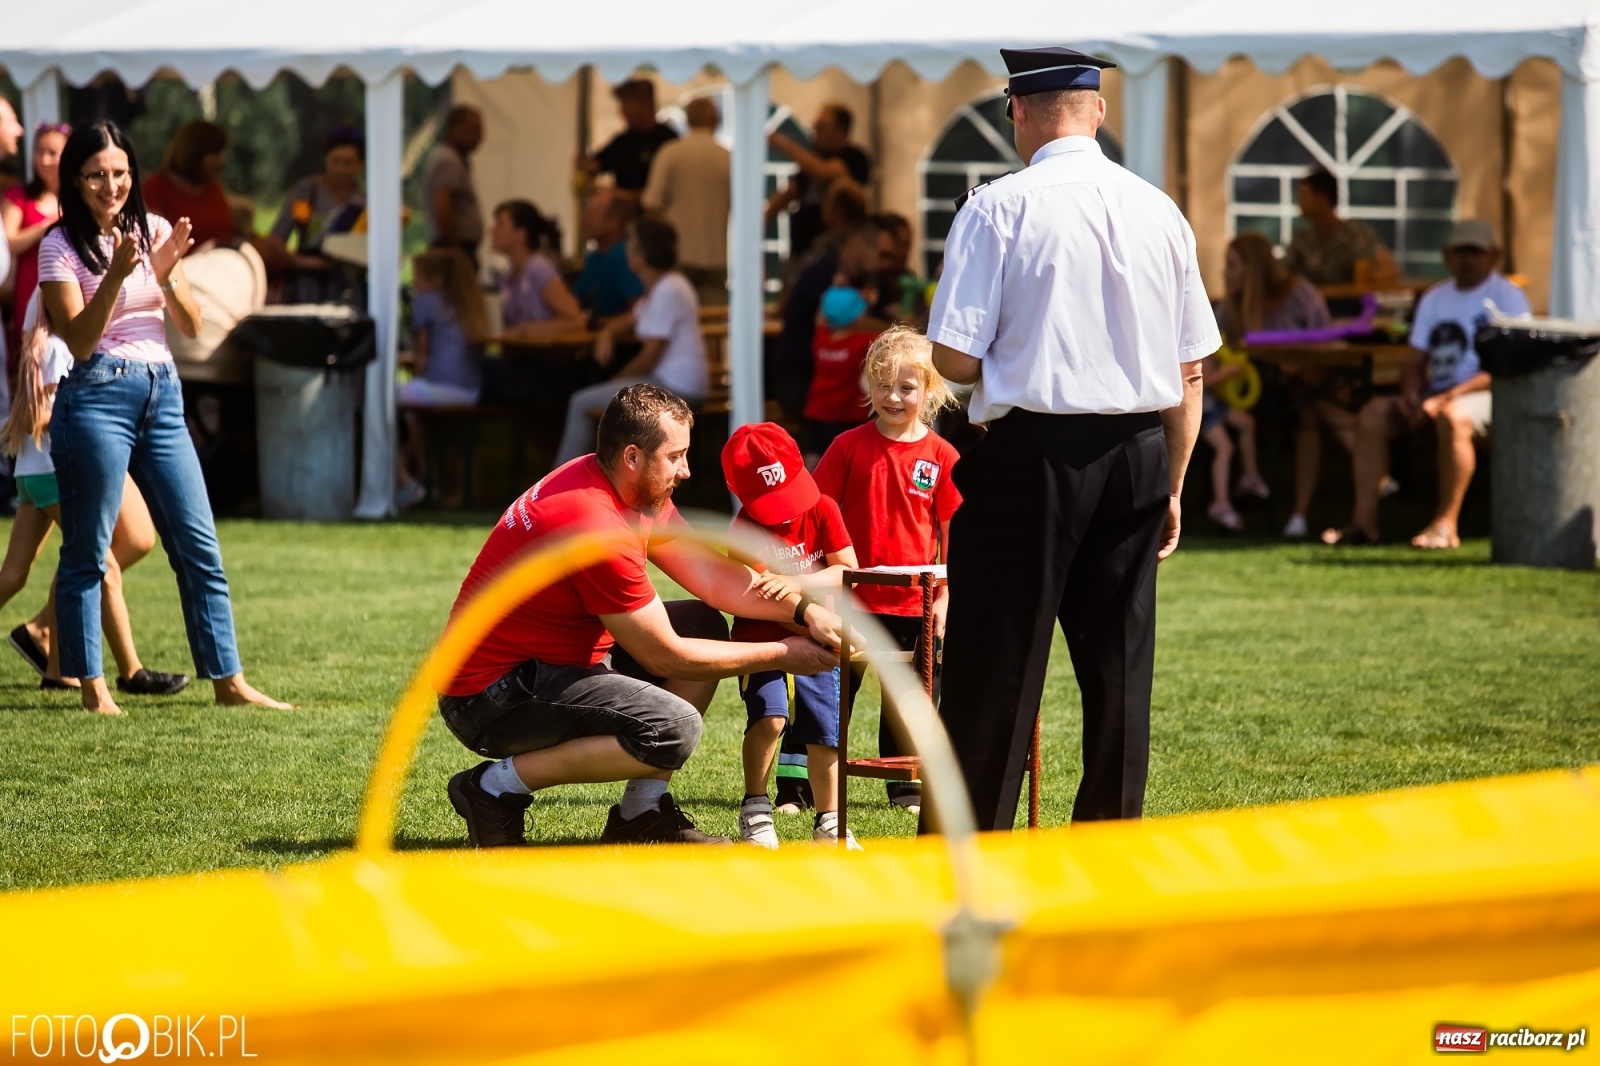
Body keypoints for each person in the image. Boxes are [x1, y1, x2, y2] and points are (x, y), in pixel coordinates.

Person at [927, 47, 1216, 831]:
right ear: (1099, 111)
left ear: (1017, 112)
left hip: (1030, 452)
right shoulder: (1161, 209)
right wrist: (1175, 484)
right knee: (1121, 674)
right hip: (1138, 452)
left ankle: (963, 856)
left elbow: (952, 357)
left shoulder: (996, 208)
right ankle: (1106, 860)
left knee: (996, 668)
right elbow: (1190, 373)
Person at [439, 384, 843, 847]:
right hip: (488, 697)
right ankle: (491, 789)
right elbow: (667, 657)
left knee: (704, 623)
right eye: (676, 456)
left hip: (537, 669)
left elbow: (714, 576)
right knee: (672, 729)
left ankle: (640, 813)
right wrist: (784, 652)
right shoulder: (596, 525)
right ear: (632, 456)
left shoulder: (624, 488)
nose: (687, 471)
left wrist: (805, 610)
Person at [37, 121, 290, 716]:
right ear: (76, 179)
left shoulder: (150, 230)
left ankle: (230, 681)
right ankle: (93, 688)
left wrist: (168, 269)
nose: (111, 185)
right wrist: (118, 277)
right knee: (88, 551)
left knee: (198, 543)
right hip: (97, 396)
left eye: (120, 173)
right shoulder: (60, 246)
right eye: (97, 175)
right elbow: (78, 340)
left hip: (163, 393)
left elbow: (194, 325)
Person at [0, 291, 188, 696]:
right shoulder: (57, 349)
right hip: (55, 471)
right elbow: (40, 414)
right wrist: (92, 406)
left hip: (34, 474)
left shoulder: (46, 345)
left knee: (14, 575)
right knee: (101, 564)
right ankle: (132, 671)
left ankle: (57, 667)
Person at [814, 326, 963, 818]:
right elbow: (818, 511)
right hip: (852, 601)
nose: (893, 397)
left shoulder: (943, 457)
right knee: (831, 696)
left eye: (906, 386)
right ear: (867, 388)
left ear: (930, 389)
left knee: (912, 700)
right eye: (882, 385)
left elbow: (953, 530)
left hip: (918, 601)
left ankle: (903, 785)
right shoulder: (847, 447)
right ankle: (804, 787)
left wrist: (945, 596)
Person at [1322, 220, 1530, 550]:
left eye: (1475, 252)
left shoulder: (1509, 297)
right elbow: (1415, 360)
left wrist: (1445, 398)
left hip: (1489, 394)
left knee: (1454, 416)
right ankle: (1363, 524)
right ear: (1447, 256)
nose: (1467, 259)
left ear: (1494, 255)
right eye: (1461, 251)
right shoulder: (1435, 297)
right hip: (1435, 394)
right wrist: (1409, 394)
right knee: (1373, 413)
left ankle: (1445, 524)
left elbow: (1507, 367)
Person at [721, 422, 861, 849]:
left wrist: (801, 586)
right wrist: (806, 616)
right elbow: (763, 599)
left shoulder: (823, 508)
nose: (784, 511)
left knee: (825, 732)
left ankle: (830, 821)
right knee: (771, 718)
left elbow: (848, 570)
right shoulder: (744, 530)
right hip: (763, 641)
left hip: (822, 638)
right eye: (770, 502)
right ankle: (756, 808)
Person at [556, 219, 708, 465]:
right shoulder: (661, 287)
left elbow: (650, 357)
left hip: (676, 386)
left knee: (580, 402)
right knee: (593, 400)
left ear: (642, 253)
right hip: (673, 382)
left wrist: (619, 385)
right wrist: (609, 333)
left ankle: (559, 485)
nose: (625, 249)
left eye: (630, 243)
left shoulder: (668, 289)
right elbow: (629, 318)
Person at [1205, 232, 1328, 531]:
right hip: (1253, 394)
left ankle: (1295, 511)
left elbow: (1325, 342)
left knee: (1316, 407)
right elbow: (1208, 359)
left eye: (1232, 265)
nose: (1224, 273)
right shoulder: (1229, 309)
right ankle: (1240, 491)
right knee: (1314, 409)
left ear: (1254, 269)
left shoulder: (1299, 294)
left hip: (1307, 383)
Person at [395, 249, 489, 510]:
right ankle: (423, 469)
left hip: (442, 387)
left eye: (418, 279)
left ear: (435, 281)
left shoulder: (426, 301)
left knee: (386, 398)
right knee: (413, 412)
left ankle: (416, 473)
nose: (415, 285)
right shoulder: (468, 302)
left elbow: (422, 356)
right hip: (471, 390)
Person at [773, 218, 884, 418]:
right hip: (806, 386)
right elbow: (856, 325)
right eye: (882, 254)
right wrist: (906, 329)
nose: (885, 264)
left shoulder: (848, 280)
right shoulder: (822, 275)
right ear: (859, 242)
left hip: (822, 396)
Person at [641, 97, 729, 306]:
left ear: (688, 119)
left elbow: (651, 204)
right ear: (716, 121)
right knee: (712, 326)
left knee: (673, 320)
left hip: (677, 254)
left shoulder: (671, 153)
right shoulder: (728, 158)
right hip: (716, 255)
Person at [263, 126, 366, 293]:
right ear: (326, 160)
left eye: (348, 163)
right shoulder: (308, 194)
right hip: (307, 284)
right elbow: (277, 238)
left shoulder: (363, 201)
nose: (340, 169)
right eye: (335, 161)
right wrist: (298, 261)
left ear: (361, 165)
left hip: (348, 287)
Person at [767, 104, 871, 266]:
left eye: (822, 126)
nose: (816, 131)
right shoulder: (813, 159)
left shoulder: (854, 158)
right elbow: (790, 193)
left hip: (837, 248)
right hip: (803, 248)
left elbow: (823, 171)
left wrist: (783, 143)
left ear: (841, 130)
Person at [802, 272, 885, 465]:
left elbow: (821, 318)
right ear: (857, 318)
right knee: (846, 465)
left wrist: (832, 291)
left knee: (813, 460)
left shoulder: (821, 337)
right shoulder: (864, 342)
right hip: (847, 417)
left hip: (816, 413)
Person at [3, 122, 67, 372]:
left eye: (52, 153)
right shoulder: (20, 196)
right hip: (30, 291)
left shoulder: (79, 197)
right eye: (39, 152)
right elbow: (8, 243)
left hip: (68, 290)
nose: (44, 160)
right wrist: (46, 228)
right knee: (33, 365)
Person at [1284, 168, 1399, 289]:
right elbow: (1282, 276)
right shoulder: (1301, 240)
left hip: (1350, 305)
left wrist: (1375, 277)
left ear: (1322, 198)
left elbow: (1388, 268)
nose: (1299, 202)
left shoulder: (1354, 232)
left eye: (1304, 196)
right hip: (1311, 305)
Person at [490, 199, 585, 335]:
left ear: (521, 232)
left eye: (500, 224)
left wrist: (525, 330)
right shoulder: (507, 275)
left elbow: (576, 320)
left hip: (543, 355)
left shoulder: (538, 270)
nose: (492, 230)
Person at [142, 121, 234, 252]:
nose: (222, 160)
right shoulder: (155, 188)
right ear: (194, 154)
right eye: (215, 153)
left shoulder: (213, 188)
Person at [586, 80, 678, 195]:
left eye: (626, 103)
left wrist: (627, 197)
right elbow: (596, 164)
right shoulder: (622, 142)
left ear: (645, 104)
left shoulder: (669, 141)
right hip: (623, 213)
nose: (622, 111)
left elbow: (674, 189)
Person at [571, 189, 645, 319]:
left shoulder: (622, 256)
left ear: (613, 222)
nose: (583, 218)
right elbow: (575, 302)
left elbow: (639, 312)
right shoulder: (594, 257)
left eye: (591, 214)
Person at [424, 106, 485, 261]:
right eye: (474, 128)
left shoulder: (454, 159)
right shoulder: (448, 160)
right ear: (455, 128)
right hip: (453, 249)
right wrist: (455, 247)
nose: (480, 136)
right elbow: (443, 207)